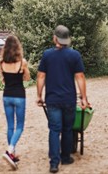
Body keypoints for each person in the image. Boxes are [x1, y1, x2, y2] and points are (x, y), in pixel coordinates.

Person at [36, 25, 88, 173]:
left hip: (52, 99)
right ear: (67, 40)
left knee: (54, 129)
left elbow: (41, 76)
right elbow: (80, 77)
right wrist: (84, 98)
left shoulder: (47, 55)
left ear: (55, 38)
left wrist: (39, 96)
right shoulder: (74, 55)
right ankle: (65, 157)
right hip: (69, 99)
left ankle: (54, 163)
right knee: (67, 128)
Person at [0, 35, 31, 170]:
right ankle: (10, 150)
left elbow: (3, 80)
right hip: (19, 96)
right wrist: (22, 72)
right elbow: (27, 78)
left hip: (6, 96)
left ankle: (11, 154)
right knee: (20, 127)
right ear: (17, 47)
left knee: (10, 126)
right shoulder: (22, 62)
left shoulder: (1, 63)